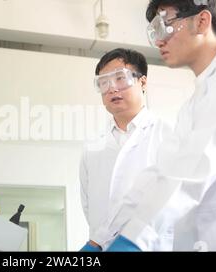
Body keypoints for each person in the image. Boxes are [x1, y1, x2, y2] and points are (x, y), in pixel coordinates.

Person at [84, 0, 216, 251]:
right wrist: (100, 239)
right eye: (153, 33)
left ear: (202, 21)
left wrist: (135, 238)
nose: (158, 41)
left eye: (164, 27)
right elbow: (158, 175)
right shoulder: (193, 105)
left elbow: (202, 157)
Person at [79, 48, 172, 251]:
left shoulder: (168, 136)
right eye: (104, 82)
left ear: (143, 82)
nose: (112, 89)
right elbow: (89, 208)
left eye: (120, 78)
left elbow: (172, 206)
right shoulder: (92, 147)